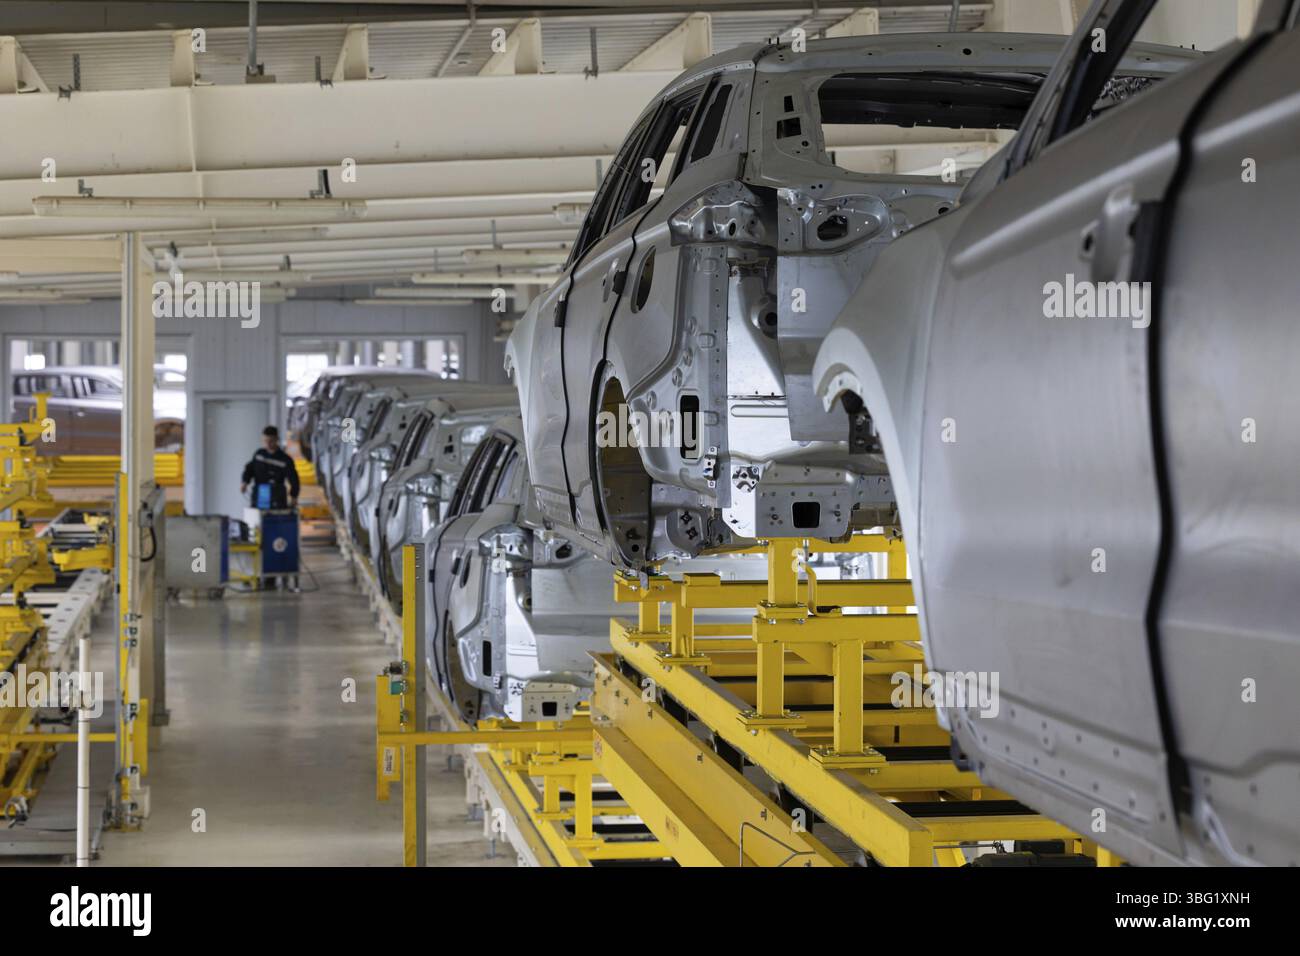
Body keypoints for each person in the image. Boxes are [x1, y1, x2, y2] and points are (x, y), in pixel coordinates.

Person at [241, 425, 300, 510]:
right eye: (265, 441)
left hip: (277, 498)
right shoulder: (259, 454)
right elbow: (249, 469)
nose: (268, 444)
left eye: (271, 441)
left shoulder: (285, 459)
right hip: (259, 496)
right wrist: (244, 482)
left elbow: (294, 479)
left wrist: (294, 497)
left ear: (277, 439)